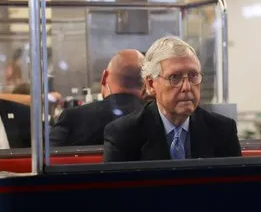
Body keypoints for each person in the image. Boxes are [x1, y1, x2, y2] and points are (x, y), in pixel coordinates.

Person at [103, 36, 242, 162]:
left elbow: (235, 188)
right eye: (175, 77)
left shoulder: (222, 130)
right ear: (151, 84)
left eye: (193, 75)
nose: (187, 87)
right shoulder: (123, 135)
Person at [50, 49, 145, 146]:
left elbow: (46, 156)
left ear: (104, 77)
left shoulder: (73, 119)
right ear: (146, 83)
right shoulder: (155, 119)